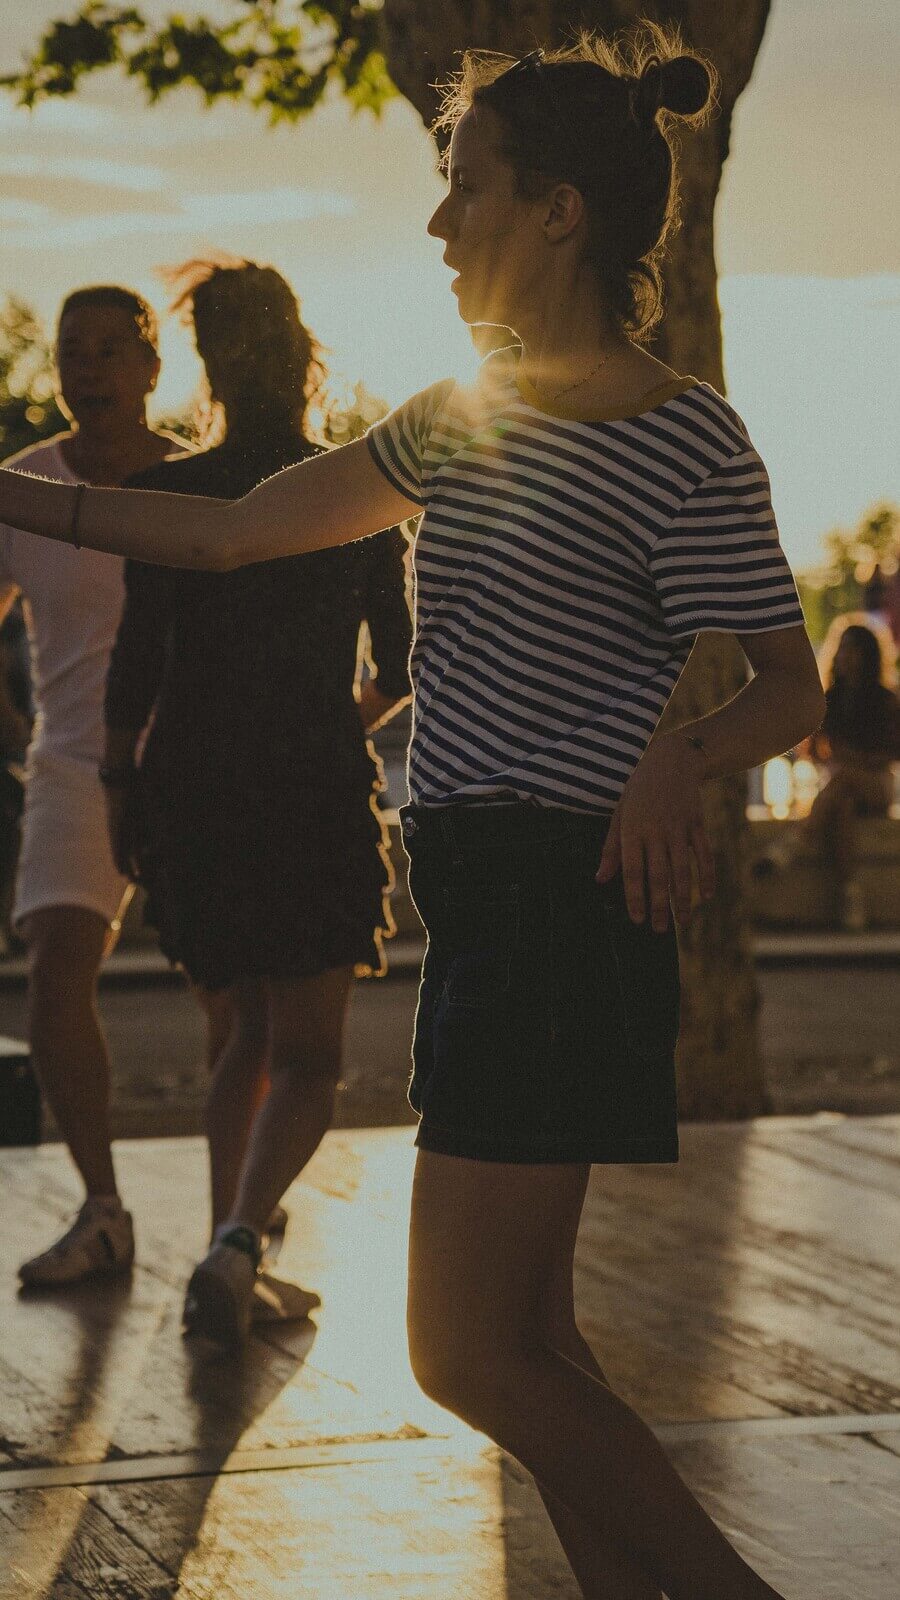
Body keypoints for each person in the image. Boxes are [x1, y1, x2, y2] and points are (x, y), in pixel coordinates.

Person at [0, 24, 829, 1600]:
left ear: (559, 212)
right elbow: (230, 533)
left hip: (568, 901)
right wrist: (10, 490)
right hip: (484, 902)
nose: (440, 222)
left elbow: (790, 691)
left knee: (461, 1355)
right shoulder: (460, 417)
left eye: (468, 186)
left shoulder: (687, 439)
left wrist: (680, 754)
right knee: (534, 1337)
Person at [102, 256, 412, 1339]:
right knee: (310, 1055)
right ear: (302, 353)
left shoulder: (168, 497)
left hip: (190, 784)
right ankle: (239, 1243)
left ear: (209, 364)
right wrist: (335, 718)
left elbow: (136, 665)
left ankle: (224, 1245)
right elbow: (401, 662)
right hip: (311, 783)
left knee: (239, 1033)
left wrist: (119, 789)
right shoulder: (355, 493)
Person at [0, 286, 179, 1286]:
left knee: (233, 987)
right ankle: (103, 1211)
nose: (90, 368)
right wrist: (20, 737)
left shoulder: (196, 482)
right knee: (55, 972)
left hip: (188, 762)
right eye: (74, 350)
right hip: (70, 765)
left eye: (113, 349)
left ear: (152, 366)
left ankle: (245, 1209)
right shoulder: (21, 488)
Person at [756, 619, 900, 927]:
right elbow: (814, 750)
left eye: (853, 649)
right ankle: (850, 897)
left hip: (876, 784)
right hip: (842, 789)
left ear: (867, 655)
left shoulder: (885, 700)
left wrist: (858, 759)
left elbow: (893, 753)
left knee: (845, 777)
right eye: (843, 648)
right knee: (843, 807)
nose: (845, 655)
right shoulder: (832, 699)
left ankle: (796, 840)